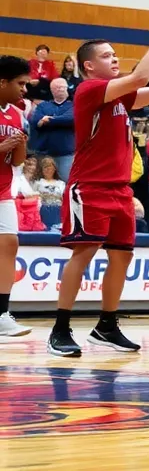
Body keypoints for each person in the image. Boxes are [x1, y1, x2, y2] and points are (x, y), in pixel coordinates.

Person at [49, 0, 149, 358]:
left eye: (114, 54)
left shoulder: (120, 98)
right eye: (107, 56)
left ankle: (106, 326)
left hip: (120, 191)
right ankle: (60, 328)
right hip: (88, 188)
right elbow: (141, 75)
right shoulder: (89, 91)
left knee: (121, 258)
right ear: (89, 67)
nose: (115, 59)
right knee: (84, 253)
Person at [0, 56, 31, 337]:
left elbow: (17, 161)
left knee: (10, 245)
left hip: (3, 190)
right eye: (20, 84)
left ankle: (1, 313)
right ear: (3, 82)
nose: (24, 89)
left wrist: (20, 145)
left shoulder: (17, 114)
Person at [29, 77, 74, 181]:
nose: (59, 89)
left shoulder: (73, 105)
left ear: (67, 88)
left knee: (65, 182)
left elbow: (70, 119)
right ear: (51, 90)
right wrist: (58, 119)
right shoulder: (43, 105)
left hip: (65, 154)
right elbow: (35, 122)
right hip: (44, 153)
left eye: (62, 87)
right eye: (56, 87)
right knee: (41, 183)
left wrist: (47, 120)